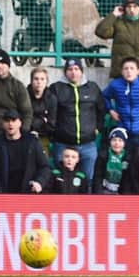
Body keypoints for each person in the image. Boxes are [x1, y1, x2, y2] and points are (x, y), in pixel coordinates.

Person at [0, 49, 33, 193]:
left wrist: (22, 134)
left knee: (10, 178)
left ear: (8, 65)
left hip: (11, 142)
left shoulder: (17, 86)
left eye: (3, 63)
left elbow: (27, 112)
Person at [49, 58, 105, 187]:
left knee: (88, 180)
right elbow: (51, 113)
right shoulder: (56, 88)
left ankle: (87, 207)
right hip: (63, 145)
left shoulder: (92, 87)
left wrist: (97, 129)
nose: (73, 73)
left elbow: (102, 110)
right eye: (69, 70)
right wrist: (55, 132)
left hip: (87, 144)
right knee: (61, 181)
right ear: (65, 72)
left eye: (76, 69)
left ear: (81, 71)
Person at [0, 109, 50, 194]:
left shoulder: (32, 142)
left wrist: (39, 182)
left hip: (29, 193)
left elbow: (44, 167)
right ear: (3, 124)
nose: (10, 124)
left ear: (20, 123)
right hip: (6, 194)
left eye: (14, 120)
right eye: (7, 121)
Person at [27, 67, 56, 156]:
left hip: (44, 137)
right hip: (26, 137)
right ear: (31, 81)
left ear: (46, 81)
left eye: (42, 79)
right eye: (36, 79)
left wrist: (40, 130)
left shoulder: (51, 98)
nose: (39, 82)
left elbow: (52, 122)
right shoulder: (24, 95)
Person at [93, 127, 131, 195]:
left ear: (125, 143)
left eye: (120, 140)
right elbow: (97, 177)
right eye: (114, 140)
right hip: (105, 189)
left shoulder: (128, 157)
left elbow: (128, 180)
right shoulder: (103, 155)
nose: (117, 143)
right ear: (110, 142)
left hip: (121, 191)